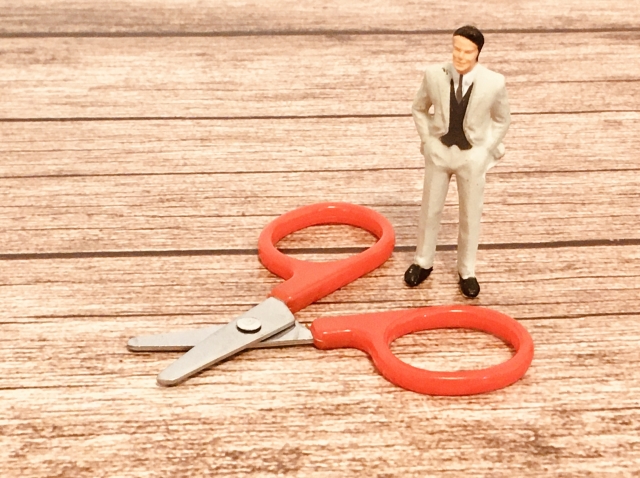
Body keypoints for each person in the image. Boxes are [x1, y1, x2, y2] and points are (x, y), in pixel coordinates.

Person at [404, 25, 511, 298]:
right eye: (457, 49)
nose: (460, 56)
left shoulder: (494, 82)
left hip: (471, 156)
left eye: (467, 51)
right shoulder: (434, 75)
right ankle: (422, 261)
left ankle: (467, 270)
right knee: (430, 209)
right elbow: (418, 108)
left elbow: (502, 119)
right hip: (439, 152)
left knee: (470, 215)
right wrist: (428, 141)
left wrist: (485, 150)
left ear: (478, 53)